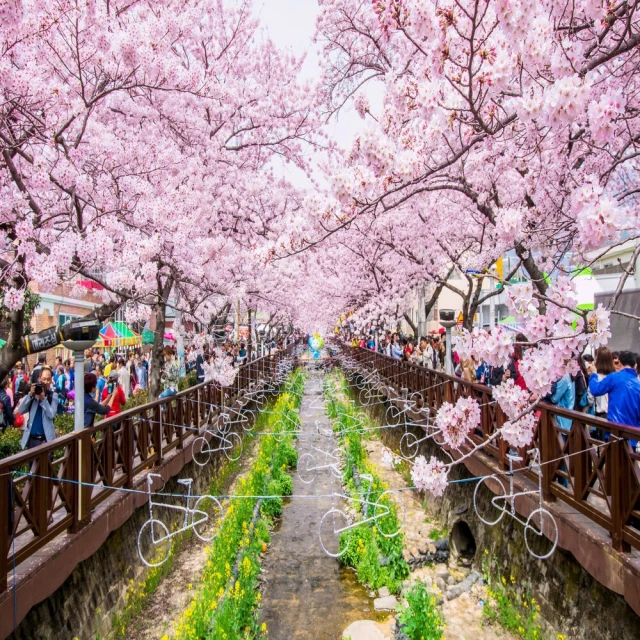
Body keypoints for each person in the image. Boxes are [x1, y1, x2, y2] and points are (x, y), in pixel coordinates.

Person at [588, 350, 640, 427]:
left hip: (614, 429)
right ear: (635, 365)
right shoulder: (638, 384)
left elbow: (595, 390)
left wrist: (593, 374)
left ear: (620, 362)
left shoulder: (614, 377)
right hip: (633, 433)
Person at [17, 366, 58, 449]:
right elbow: (20, 410)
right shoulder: (33, 395)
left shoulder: (53, 395)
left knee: (47, 462)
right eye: (44, 379)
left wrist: (43, 399)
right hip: (32, 439)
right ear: (39, 379)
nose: (46, 382)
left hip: (46, 439)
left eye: (48, 379)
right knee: (32, 462)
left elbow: (52, 415)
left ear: (51, 381)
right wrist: (30, 395)